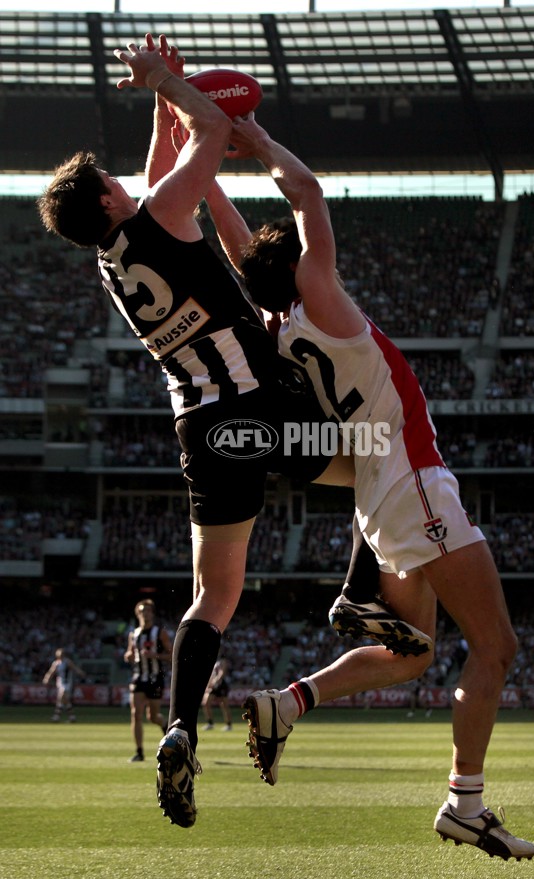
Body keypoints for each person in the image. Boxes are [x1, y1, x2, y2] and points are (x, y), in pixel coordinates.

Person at [38, 33, 404, 830]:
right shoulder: (162, 214)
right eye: (109, 180)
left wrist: (164, 108)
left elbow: (163, 166)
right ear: (105, 199)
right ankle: (360, 592)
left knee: (213, 597)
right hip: (263, 410)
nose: (120, 180)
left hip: (203, 432)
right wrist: (168, 83)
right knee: (382, 452)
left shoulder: (115, 254)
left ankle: (180, 726)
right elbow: (200, 145)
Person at [205, 114, 534, 861]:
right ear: (299, 266)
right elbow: (309, 193)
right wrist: (253, 138)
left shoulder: (279, 321)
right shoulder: (318, 293)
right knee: (497, 644)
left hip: (379, 491)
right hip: (412, 480)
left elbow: (241, 254)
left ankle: (289, 701)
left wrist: (206, 174)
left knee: (416, 652)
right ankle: (466, 802)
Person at [124, 599, 172, 762]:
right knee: (135, 713)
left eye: (149, 611)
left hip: (155, 678)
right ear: (138, 614)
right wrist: (128, 656)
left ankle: (165, 726)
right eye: (143, 611)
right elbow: (130, 653)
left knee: (152, 716)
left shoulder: (159, 633)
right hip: (138, 677)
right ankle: (139, 752)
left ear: (153, 614)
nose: (146, 613)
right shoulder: (134, 634)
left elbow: (172, 655)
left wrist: (155, 656)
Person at [42, 648, 85, 723]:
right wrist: (47, 678)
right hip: (59, 683)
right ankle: (72, 717)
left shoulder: (67, 662)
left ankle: (56, 716)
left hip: (67, 683)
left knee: (61, 696)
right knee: (65, 700)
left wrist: (80, 672)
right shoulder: (56, 663)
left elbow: (74, 668)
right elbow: (51, 672)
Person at [201, 655, 232, 731]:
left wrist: (215, 681)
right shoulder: (214, 661)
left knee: (224, 705)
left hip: (221, 684)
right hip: (213, 684)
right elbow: (212, 674)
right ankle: (210, 723)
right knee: (205, 703)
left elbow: (222, 672)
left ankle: (228, 725)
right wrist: (209, 684)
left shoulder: (222, 660)